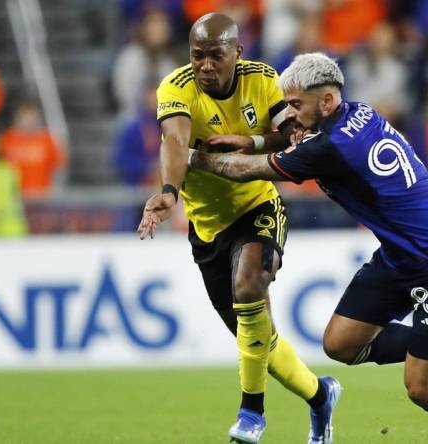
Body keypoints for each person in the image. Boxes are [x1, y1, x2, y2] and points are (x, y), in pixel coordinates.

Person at [185, 53, 428, 444]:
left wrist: (189, 157)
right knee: (340, 344)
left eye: (296, 105)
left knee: (424, 390)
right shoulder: (358, 113)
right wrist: (265, 138)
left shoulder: (330, 147)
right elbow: (306, 146)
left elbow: (249, 170)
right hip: (400, 257)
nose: (288, 114)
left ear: (326, 101)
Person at [136, 14, 341, 444]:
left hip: (256, 206)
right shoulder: (175, 87)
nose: (205, 65)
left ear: (237, 53)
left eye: (215, 55)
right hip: (207, 228)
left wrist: (255, 142)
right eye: (197, 56)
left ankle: (252, 413)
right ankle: (320, 395)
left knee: (250, 287)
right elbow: (174, 142)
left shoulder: (262, 80)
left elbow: (293, 134)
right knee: (259, 340)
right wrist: (170, 193)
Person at [0, 100, 66, 198]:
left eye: (32, 116)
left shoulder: (47, 140)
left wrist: (54, 190)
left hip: (41, 195)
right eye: (25, 116)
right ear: (17, 118)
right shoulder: (7, 139)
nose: (29, 120)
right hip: (14, 195)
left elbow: (58, 167)